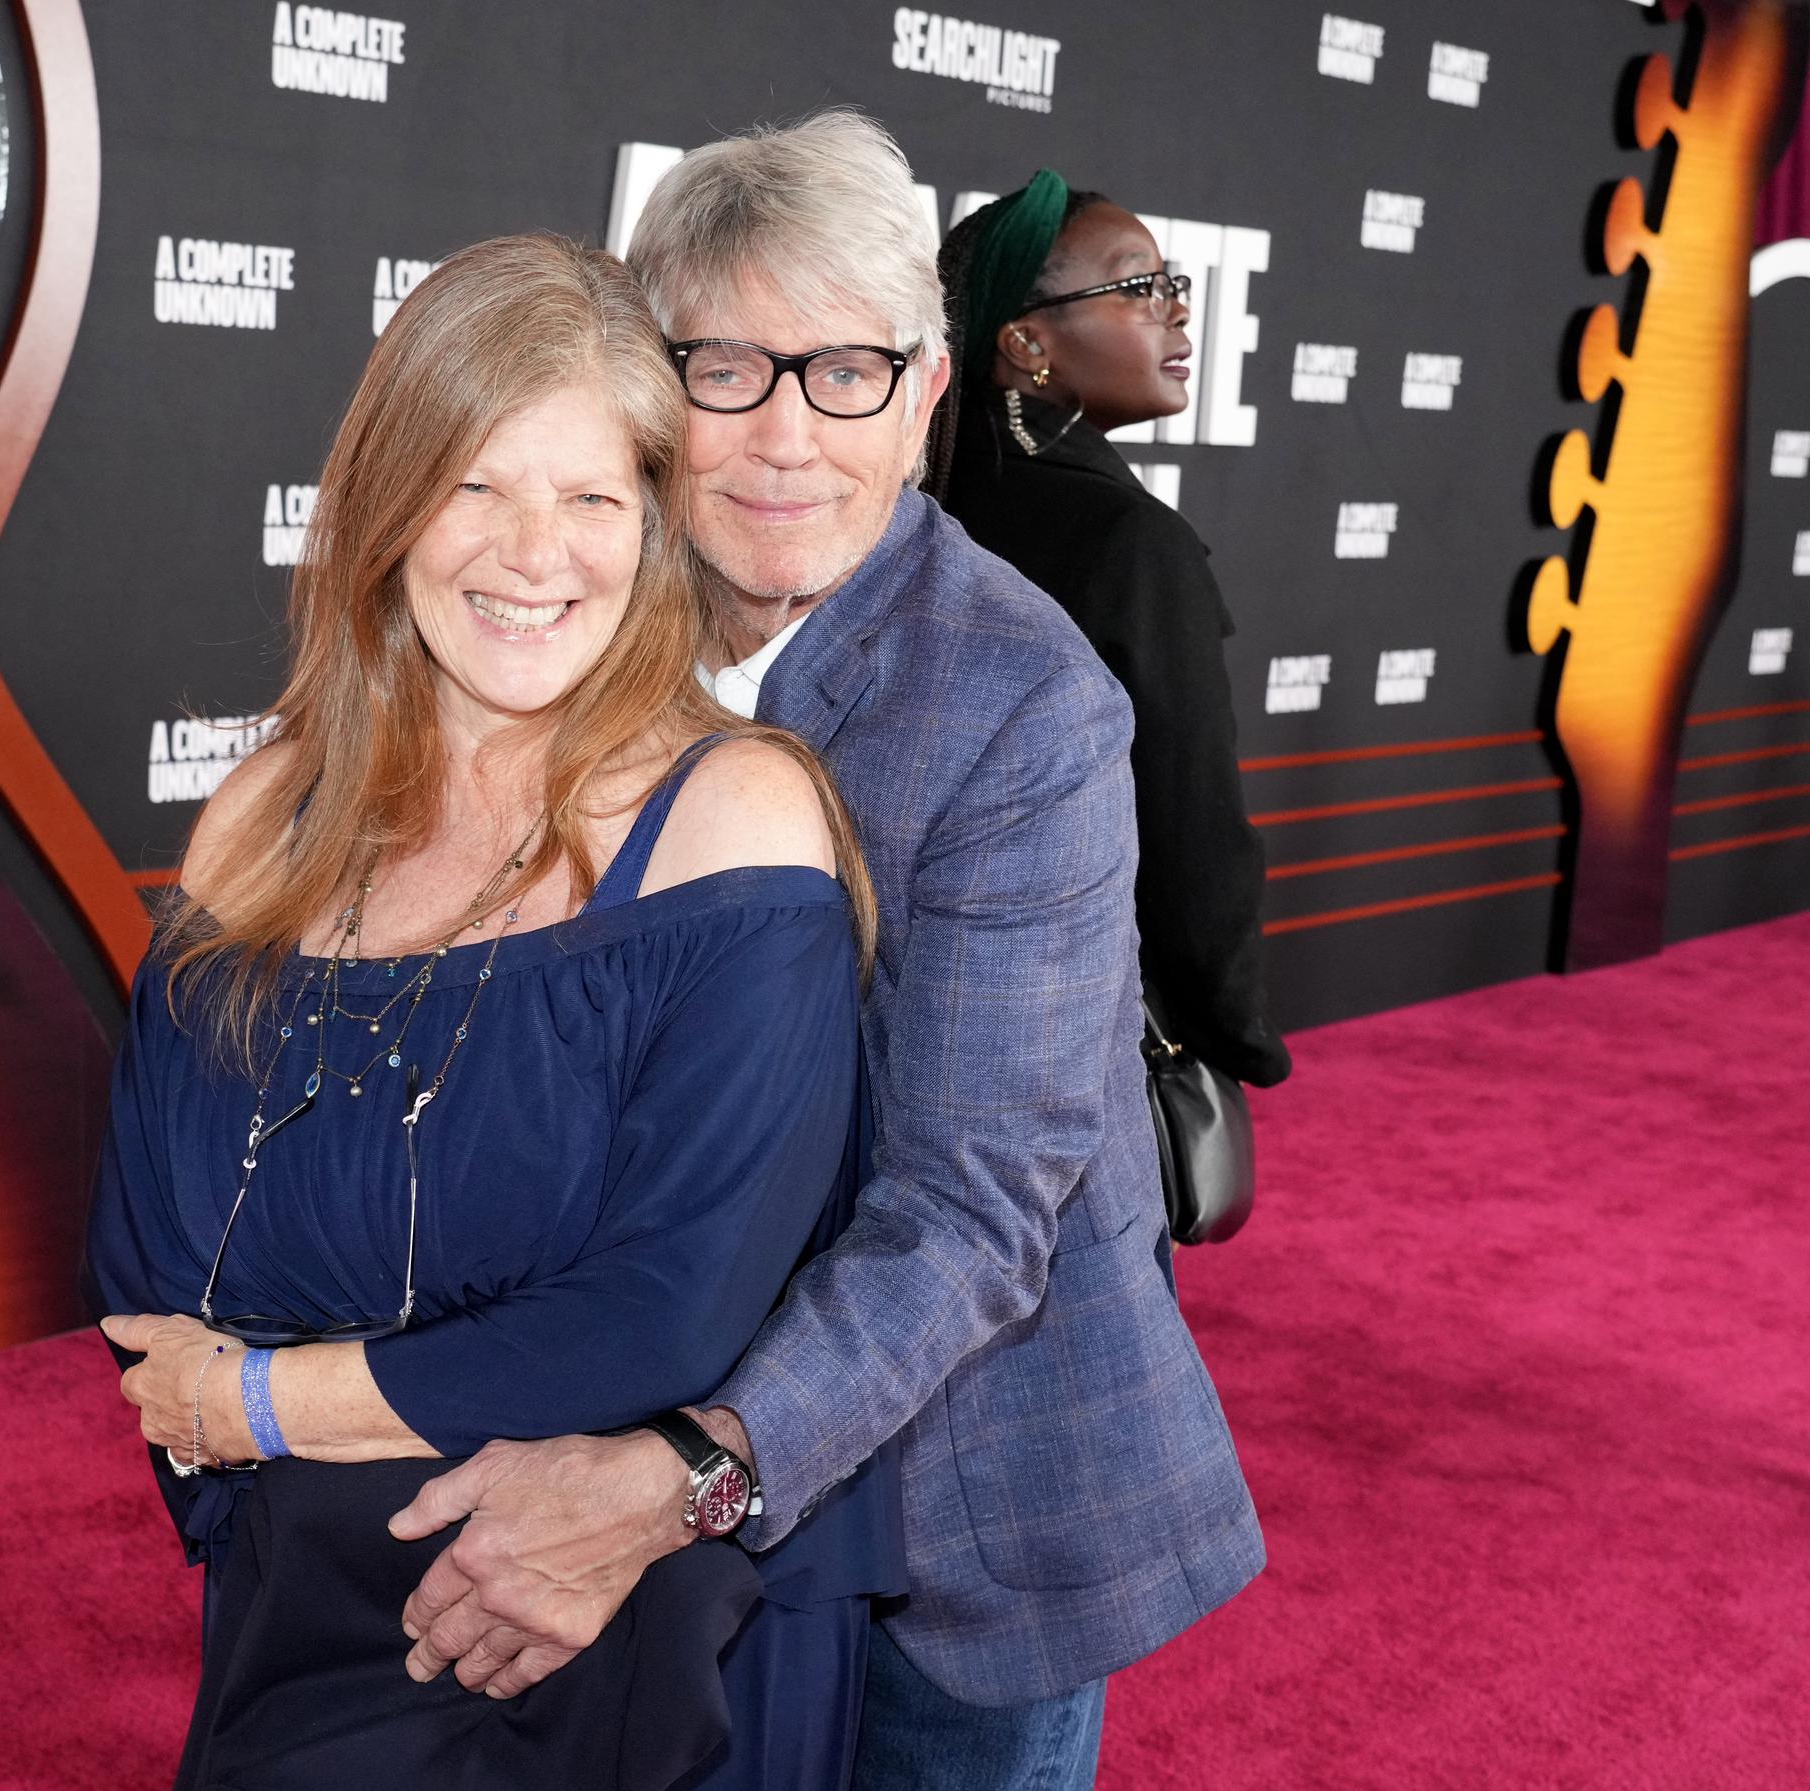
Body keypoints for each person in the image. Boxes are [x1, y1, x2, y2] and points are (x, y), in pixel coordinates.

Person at [380, 115, 1265, 1789]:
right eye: (724, 366)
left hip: (957, 1509)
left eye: (846, 370)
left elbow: (980, 1210)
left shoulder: (1023, 703)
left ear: (928, 393)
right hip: (649, 1417)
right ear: (650, 389)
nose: (786, 434)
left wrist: (677, 1477)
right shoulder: (570, 618)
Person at [88, 232, 899, 1791]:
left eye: (594, 496)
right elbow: (150, 1253)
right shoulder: (266, 812)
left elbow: (663, 1313)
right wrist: (288, 1428)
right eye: (476, 484)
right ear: (389, 503)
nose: (537, 553)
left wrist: (263, 1396)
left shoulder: (738, 823)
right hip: (296, 1596)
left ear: (658, 531)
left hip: (615, 1618)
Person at [924, 172, 1290, 1089]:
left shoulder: (910, 493)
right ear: (1025, 342)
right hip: (1068, 1032)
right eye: (1137, 287)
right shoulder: (1132, 543)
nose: (1176, 315)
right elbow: (1188, 826)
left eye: (1174, 286)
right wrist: (1235, 1029)